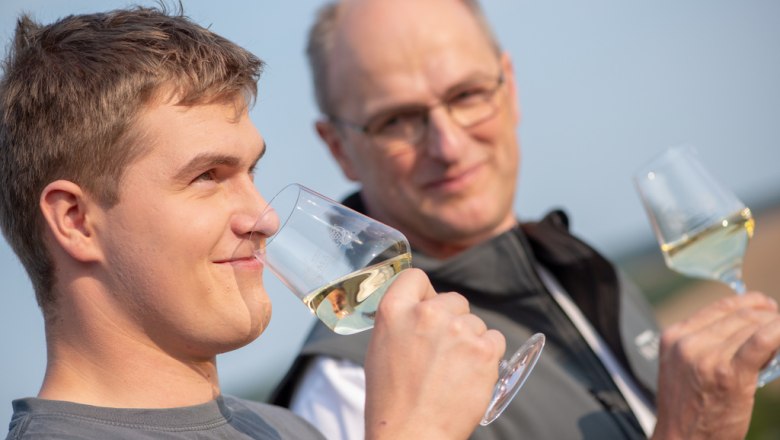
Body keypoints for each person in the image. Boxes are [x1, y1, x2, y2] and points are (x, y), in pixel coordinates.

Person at [271, 0, 780, 439]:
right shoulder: (350, 389)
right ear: (339, 148)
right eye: (397, 120)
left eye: (467, 94)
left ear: (508, 88)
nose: (448, 146)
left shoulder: (575, 267)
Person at [0, 5, 508, 439]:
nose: (263, 218)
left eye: (250, 170)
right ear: (75, 221)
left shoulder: (288, 430)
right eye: (206, 176)